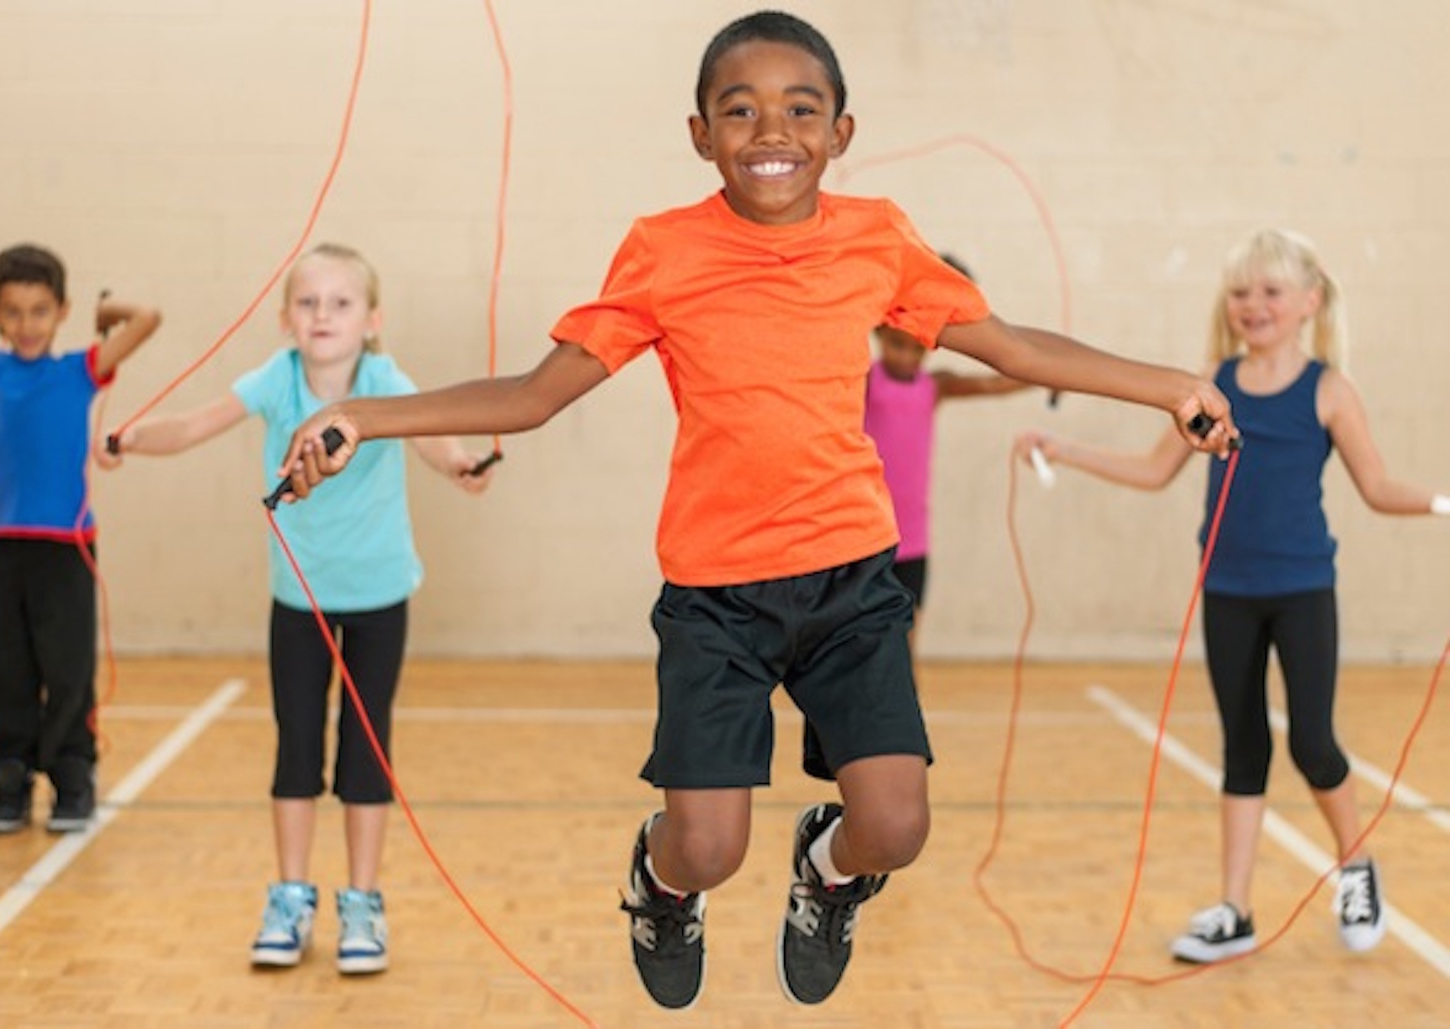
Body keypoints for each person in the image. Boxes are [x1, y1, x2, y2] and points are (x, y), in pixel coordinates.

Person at [273, 11, 1236, 1009]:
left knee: (896, 826)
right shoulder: (662, 252)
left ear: (841, 132)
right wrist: (361, 416)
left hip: (852, 581)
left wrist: (1167, 384)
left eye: (799, 109)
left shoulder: (877, 238)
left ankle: (826, 870)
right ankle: (658, 886)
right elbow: (534, 393)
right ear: (699, 134)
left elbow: (1011, 348)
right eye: (739, 110)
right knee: (708, 846)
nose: (771, 131)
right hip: (716, 595)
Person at [1015, 228, 1449, 964]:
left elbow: (1376, 487)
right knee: (1242, 745)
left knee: (1313, 742)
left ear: (1309, 301)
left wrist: (1443, 502)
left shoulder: (1329, 390)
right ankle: (1235, 909)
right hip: (1227, 591)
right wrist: (1068, 451)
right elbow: (1156, 472)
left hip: (1304, 590)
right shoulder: (1212, 385)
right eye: (1241, 292)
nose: (1254, 305)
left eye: (1271, 291)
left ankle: (1356, 865)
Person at [99, 243, 493, 975]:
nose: (322, 315)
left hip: (378, 598)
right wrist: (129, 438)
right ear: (285, 318)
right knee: (297, 749)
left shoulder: (382, 380)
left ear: (371, 319)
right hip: (299, 602)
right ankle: (289, 897)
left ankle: (363, 904)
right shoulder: (275, 382)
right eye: (308, 303)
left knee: (366, 756)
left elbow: (432, 434)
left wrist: (463, 465)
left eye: (340, 303)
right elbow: (190, 426)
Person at [0, 244, 161, 835]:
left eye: (39, 311)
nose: (25, 325)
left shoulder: (79, 370)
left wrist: (108, 313)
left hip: (64, 548)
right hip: (0, 544)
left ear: (61, 311)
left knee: (67, 668)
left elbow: (148, 319)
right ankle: (11, 779)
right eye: (12, 312)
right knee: (4, 671)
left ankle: (72, 777)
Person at [802, 254, 1033, 779]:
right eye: (899, 344)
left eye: (917, 347)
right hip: (861, 542)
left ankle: (899, 743)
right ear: (883, 336)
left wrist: (1050, 380)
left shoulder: (937, 387)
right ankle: (842, 736)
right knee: (849, 645)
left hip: (914, 544)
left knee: (904, 649)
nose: (908, 356)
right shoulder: (864, 381)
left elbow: (999, 380)